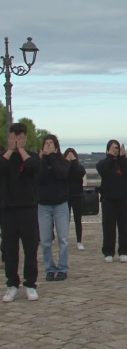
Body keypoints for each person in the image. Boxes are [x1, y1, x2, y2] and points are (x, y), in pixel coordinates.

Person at [0, 123, 40, 302]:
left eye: (20, 137)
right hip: (8, 210)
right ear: (8, 137)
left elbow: (33, 167)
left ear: (25, 138)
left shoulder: (31, 156)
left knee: (30, 248)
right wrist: (10, 150)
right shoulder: (3, 157)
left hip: (28, 209)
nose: (16, 141)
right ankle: (12, 285)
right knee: (9, 250)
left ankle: (30, 284)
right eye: (13, 137)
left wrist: (21, 150)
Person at [38, 135, 71, 282]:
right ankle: (50, 269)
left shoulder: (62, 161)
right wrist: (44, 159)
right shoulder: (39, 162)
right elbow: (39, 177)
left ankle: (63, 268)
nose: (49, 146)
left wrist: (52, 157)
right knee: (45, 240)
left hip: (60, 204)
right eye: (46, 143)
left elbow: (61, 174)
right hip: (43, 205)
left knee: (63, 238)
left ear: (56, 146)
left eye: (51, 143)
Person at [96, 140, 127, 263]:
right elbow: (102, 170)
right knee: (108, 227)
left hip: (123, 199)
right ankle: (108, 251)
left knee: (124, 226)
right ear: (107, 149)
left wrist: (122, 158)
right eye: (113, 148)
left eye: (117, 148)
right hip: (108, 200)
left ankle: (123, 251)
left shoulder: (123, 162)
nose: (115, 150)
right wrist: (111, 157)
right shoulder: (104, 163)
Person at [64, 148, 86, 251]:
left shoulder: (79, 167)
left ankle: (79, 241)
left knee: (78, 219)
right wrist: (67, 162)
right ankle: (64, 240)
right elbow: (63, 173)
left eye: (72, 155)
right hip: (65, 196)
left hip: (77, 195)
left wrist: (73, 161)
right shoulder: (64, 166)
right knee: (65, 220)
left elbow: (80, 173)